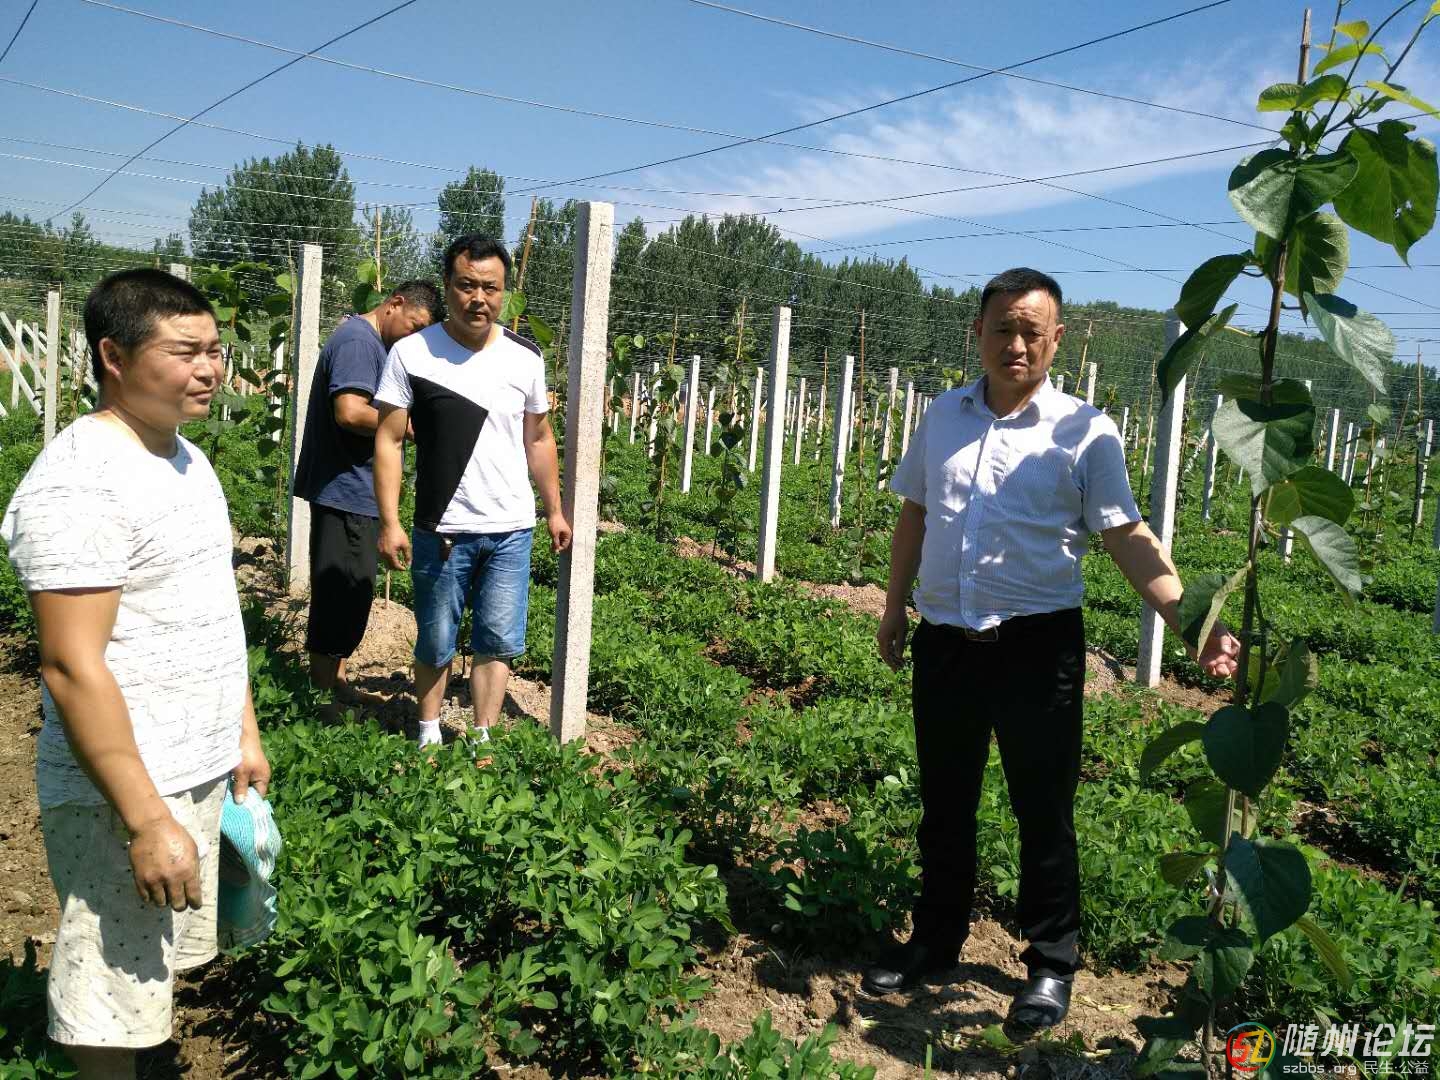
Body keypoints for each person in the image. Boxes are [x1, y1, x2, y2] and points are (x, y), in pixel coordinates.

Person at [864, 268, 1239, 1028]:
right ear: (977, 332)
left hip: (1037, 648)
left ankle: (1049, 964)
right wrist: (894, 604)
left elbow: (1126, 535)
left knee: (1043, 809)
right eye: (1002, 328)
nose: (1016, 343)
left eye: (1031, 331)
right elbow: (915, 514)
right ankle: (935, 939)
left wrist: (1192, 625)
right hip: (946, 642)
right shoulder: (942, 416)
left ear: (1057, 340)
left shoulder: (1084, 431)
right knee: (945, 803)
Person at [0, 268, 270, 1078]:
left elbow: (212, 609)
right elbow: (71, 665)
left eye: (215, 350)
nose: (210, 369)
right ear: (113, 357)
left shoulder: (186, 459)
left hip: (193, 764)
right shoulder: (80, 482)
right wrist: (147, 818)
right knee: (106, 987)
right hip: (124, 788)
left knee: (144, 963)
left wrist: (242, 732)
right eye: (185, 352)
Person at [372, 234, 571, 749]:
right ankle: (428, 734)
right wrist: (390, 521)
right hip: (442, 528)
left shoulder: (525, 357)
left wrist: (554, 509)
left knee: (497, 640)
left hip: (511, 529)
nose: (478, 298)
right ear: (447, 286)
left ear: (505, 293)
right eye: (466, 285)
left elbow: (539, 437)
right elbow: (389, 439)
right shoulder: (413, 353)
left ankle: (483, 739)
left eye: (490, 287)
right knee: (435, 639)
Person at [293, 281, 444, 716]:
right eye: (414, 326)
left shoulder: (374, 344)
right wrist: (409, 427)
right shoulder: (360, 342)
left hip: (355, 489)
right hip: (344, 490)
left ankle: (336, 681)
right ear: (394, 304)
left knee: (352, 591)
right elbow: (350, 411)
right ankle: (321, 696)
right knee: (341, 591)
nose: (415, 338)